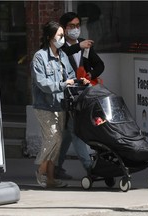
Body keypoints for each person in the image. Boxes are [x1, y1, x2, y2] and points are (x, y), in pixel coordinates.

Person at [30, 21, 90, 188]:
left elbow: (69, 74)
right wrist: (64, 84)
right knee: (53, 138)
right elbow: (43, 83)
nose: (63, 39)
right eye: (60, 36)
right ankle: (40, 170)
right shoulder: (39, 57)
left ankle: (50, 178)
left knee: (57, 141)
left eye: (63, 35)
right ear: (50, 37)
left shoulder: (62, 55)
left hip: (61, 105)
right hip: (44, 106)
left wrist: (79, 80)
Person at [55, 12, 105, 179]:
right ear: (64, 28)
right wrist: (80, 46)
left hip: (82, 94)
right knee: (74, 130)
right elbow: (66, 52)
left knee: (69, 133)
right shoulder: (60, 45)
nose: (75, 29)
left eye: (77, 25)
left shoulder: (84, 44)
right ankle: (90, 167)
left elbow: (99, 64)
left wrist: (90, 76)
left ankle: (56, 167)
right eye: (71, 26)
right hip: (67, 94)